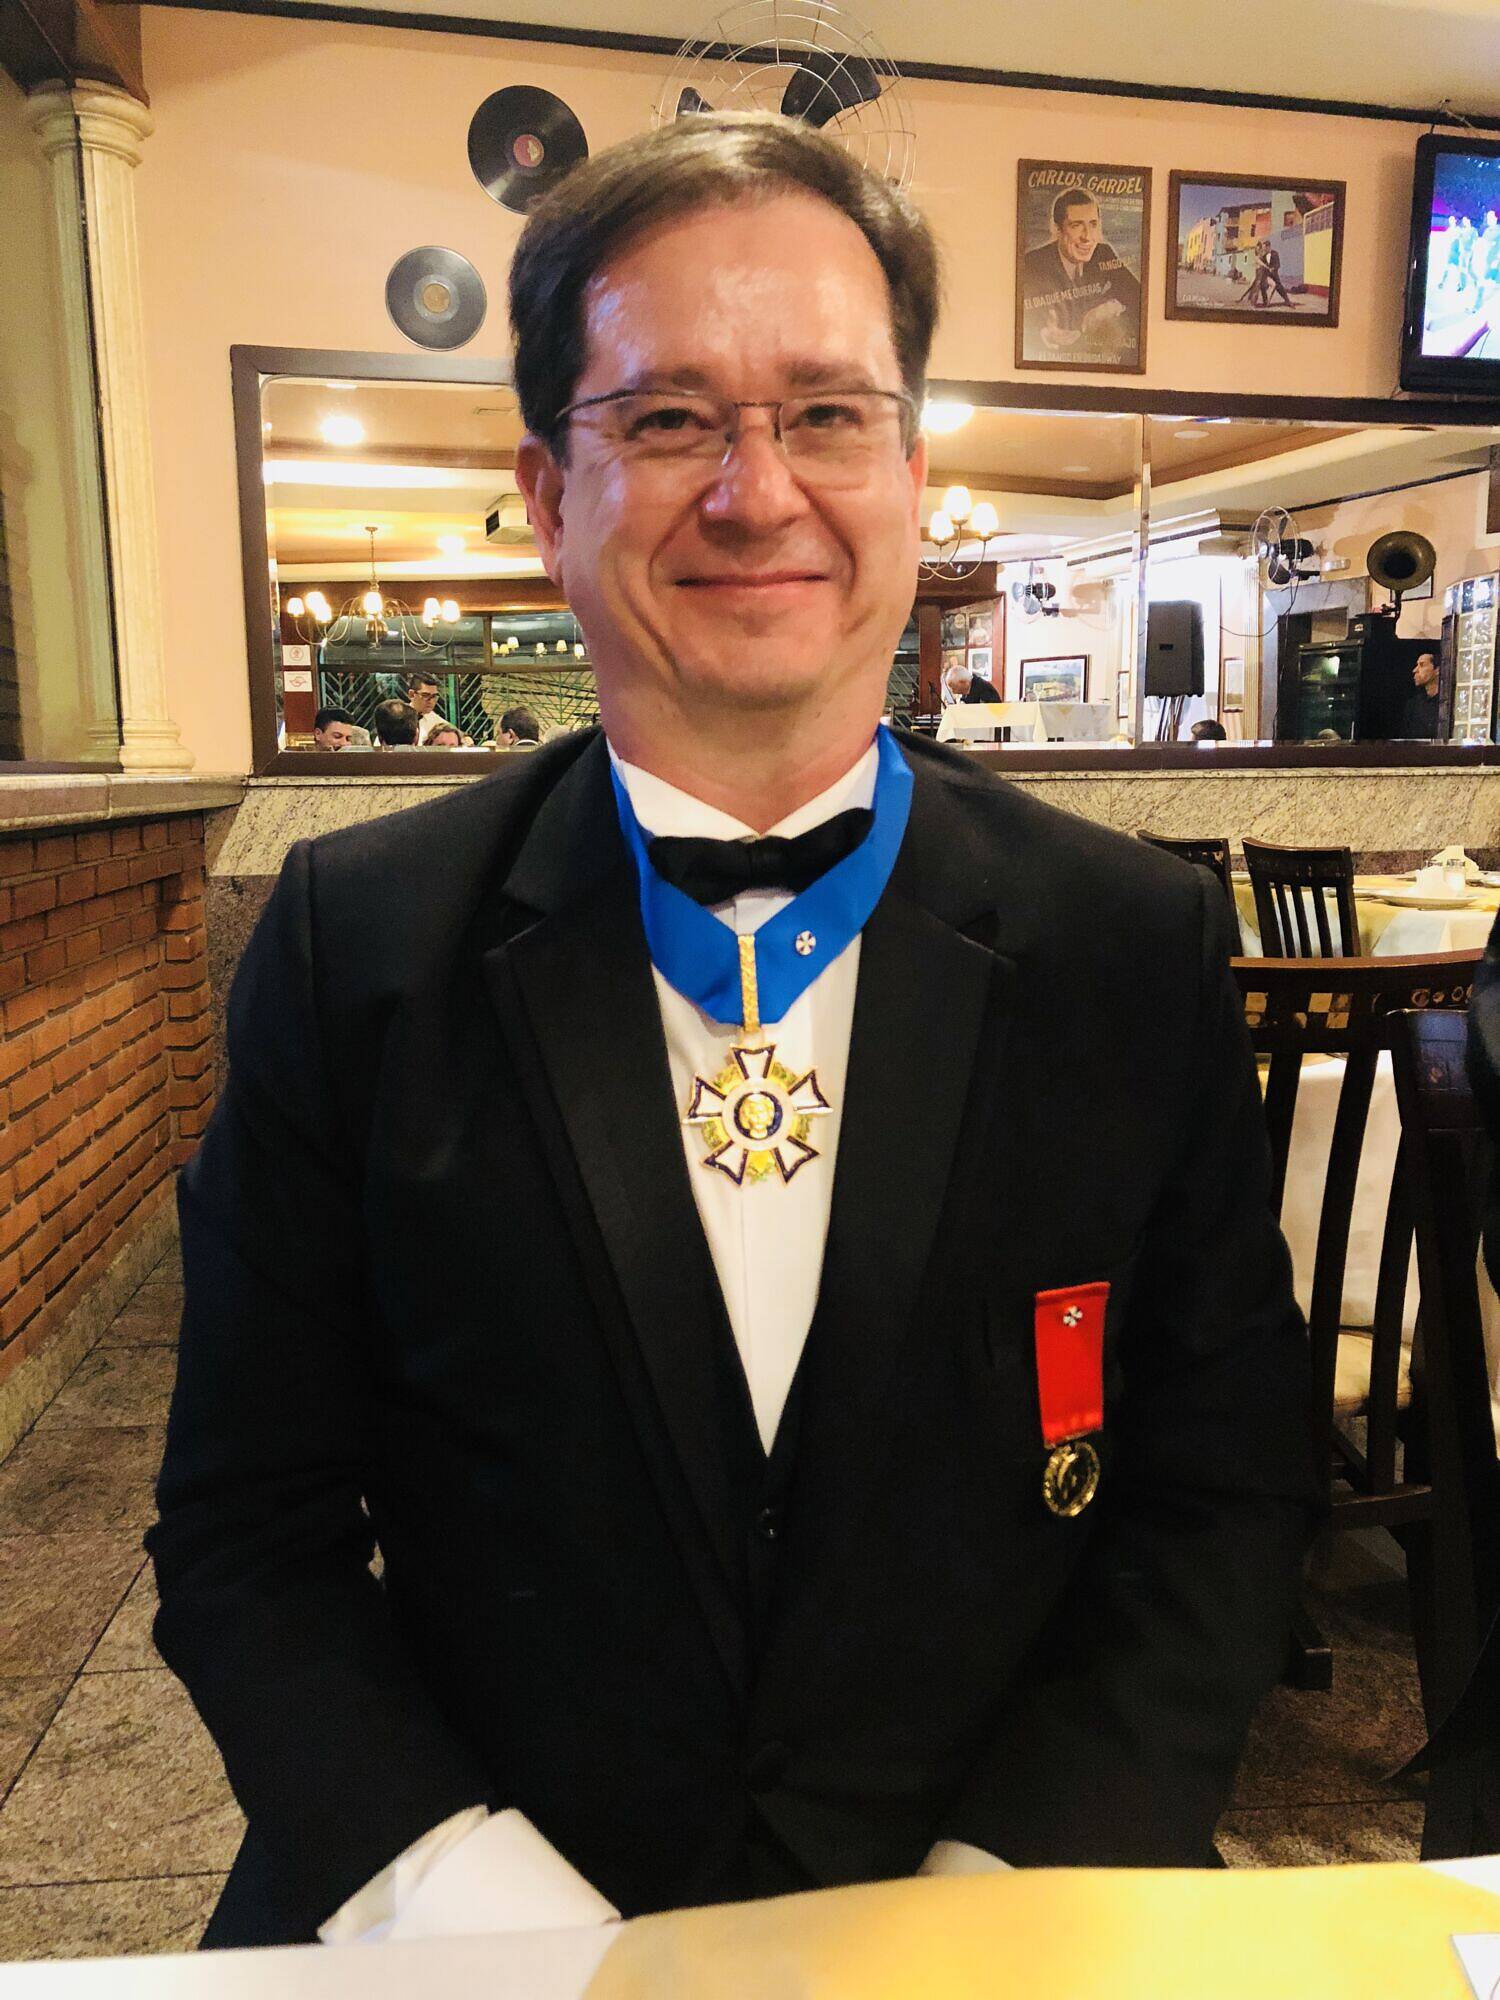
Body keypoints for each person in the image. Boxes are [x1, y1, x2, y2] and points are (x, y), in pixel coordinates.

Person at [153, 111, 1316, 1952]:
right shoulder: (352, 946)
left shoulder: (1130, 944)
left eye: (827, 413)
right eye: (670, 417)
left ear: (912, 475)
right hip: (479, 1926)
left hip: (996, 1922)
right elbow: (246, 1534)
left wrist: (998, 1903)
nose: (757, 491)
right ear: (550, 497)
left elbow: (1222, 1492)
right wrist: (503, 1926)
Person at [1019, 187, 1140, 360]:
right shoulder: (1032, 263)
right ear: (1057, 229)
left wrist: (1112, 306)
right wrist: (1043, 332)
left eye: (1093, 224)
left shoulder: (1103, 254)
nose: (1087, 237)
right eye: (1076, 225)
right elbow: (1017, 316)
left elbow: (1140, 299)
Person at [1397, 650, 1441, 739]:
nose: (1415, 670)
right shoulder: (1413, 705)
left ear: (1437, 670)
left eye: (1422, 665)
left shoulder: (1445, 704)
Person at [408, 674, 452, 744]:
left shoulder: (433, 718)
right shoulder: (399, 716)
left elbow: (455, 731)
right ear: (412, 694)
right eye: (425, 695)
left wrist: (465, 738)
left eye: (434, 696)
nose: (431, 701)